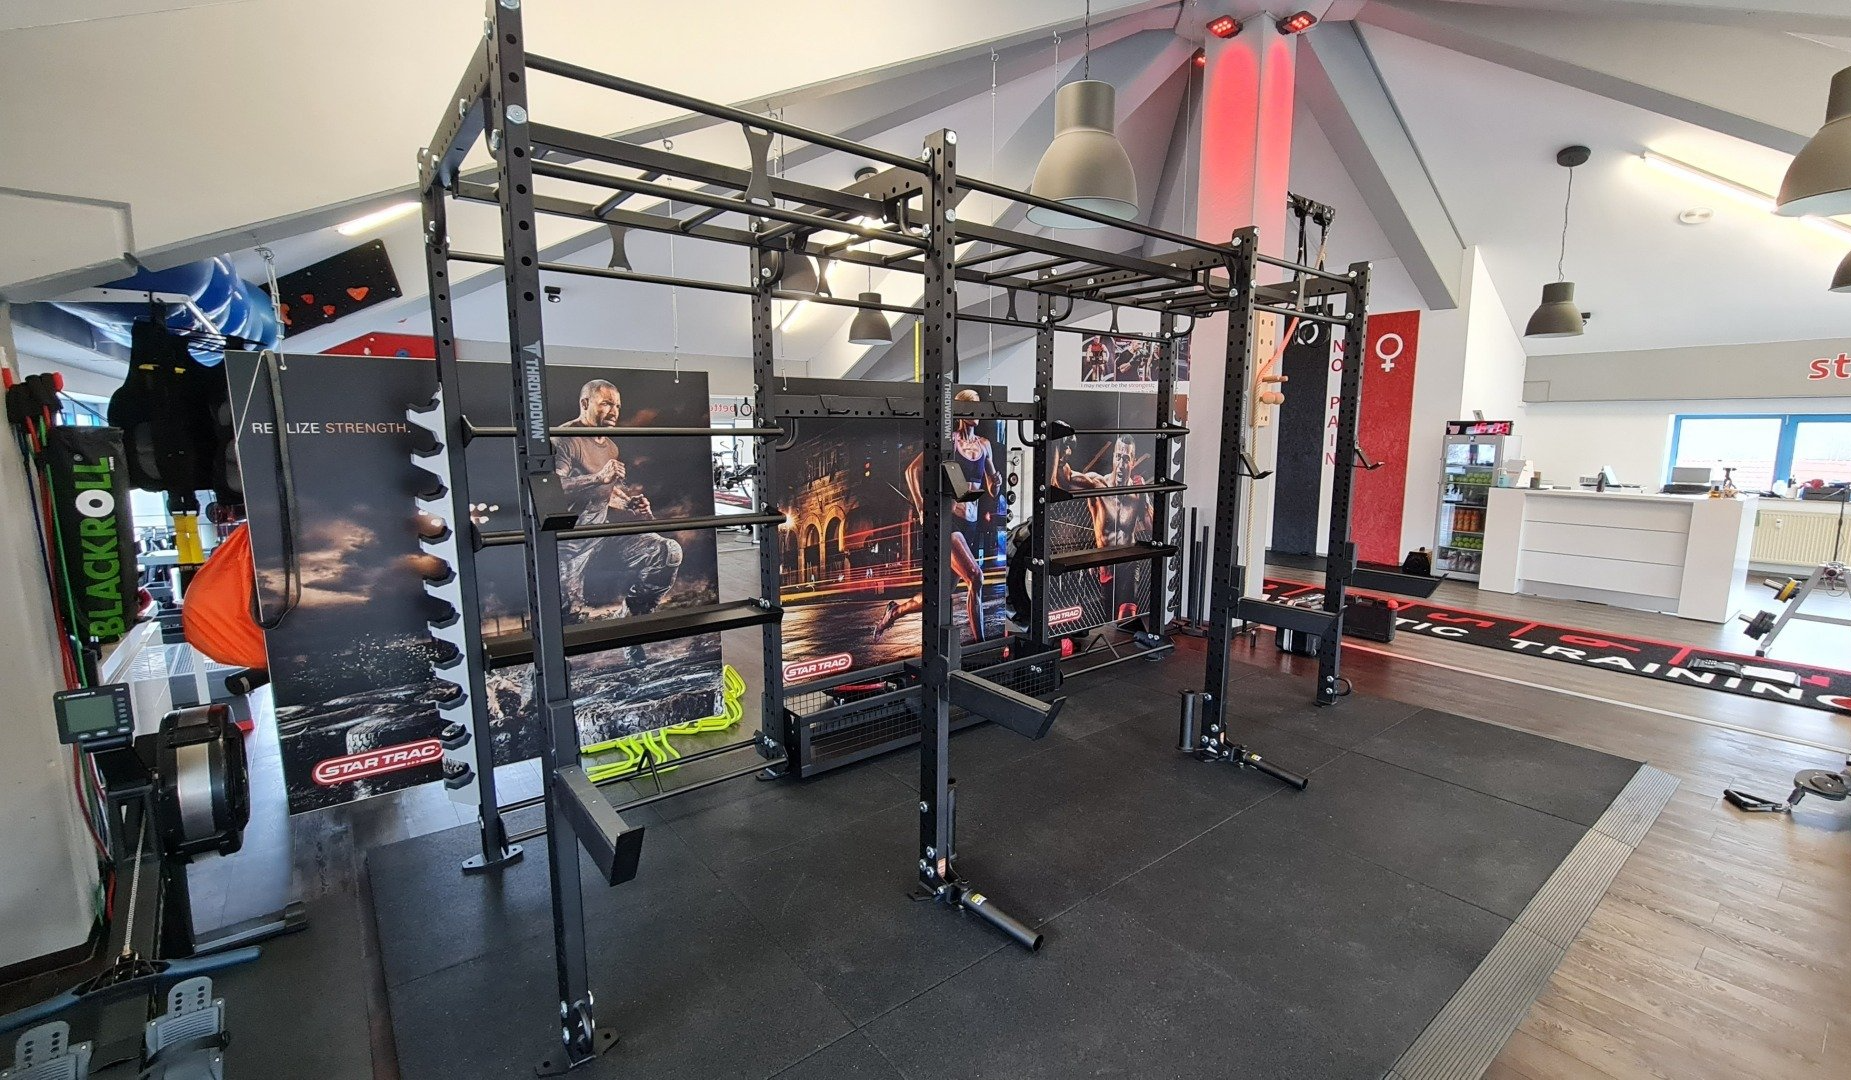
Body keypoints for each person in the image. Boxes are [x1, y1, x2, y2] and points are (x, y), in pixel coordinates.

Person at [553, 379, 683, 624]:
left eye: (617, 406)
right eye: (606, 404)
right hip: (570, 545)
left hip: (602, 535)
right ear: (585, 403)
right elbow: (552, 488)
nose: (614, 412)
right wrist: (598, 477)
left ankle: (633, 619)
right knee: (567, 616)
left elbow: (605, 491)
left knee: (667, 552)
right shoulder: (565, 439)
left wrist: (629, 504)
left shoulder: (611, 447)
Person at [876, 388, 1001, 641]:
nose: (978, 412)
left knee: (939, 594)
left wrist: (996, 483)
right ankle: (980, 645)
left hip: (971, 526)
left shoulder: (984, 445)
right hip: (949, 522)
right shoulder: (950, 442)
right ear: (961, 411)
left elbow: (992, 488)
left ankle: (895, 611)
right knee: (976, 578)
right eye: (973, 406)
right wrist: (921, 506)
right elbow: (912, 471)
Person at [1054, 435, 1152, 586]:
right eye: (1118, 457)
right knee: (1109, 601)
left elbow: (1152, 527)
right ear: (1113, 458)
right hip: (1106, 567)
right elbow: (1065, 481)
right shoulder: (1097, 485)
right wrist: (1061, 455)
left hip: (1129, 564)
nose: (1121, 465)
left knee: (1128, 602)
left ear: (1133, 462)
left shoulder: (1137, 492)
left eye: (1126, 459)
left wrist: (1145, 498)